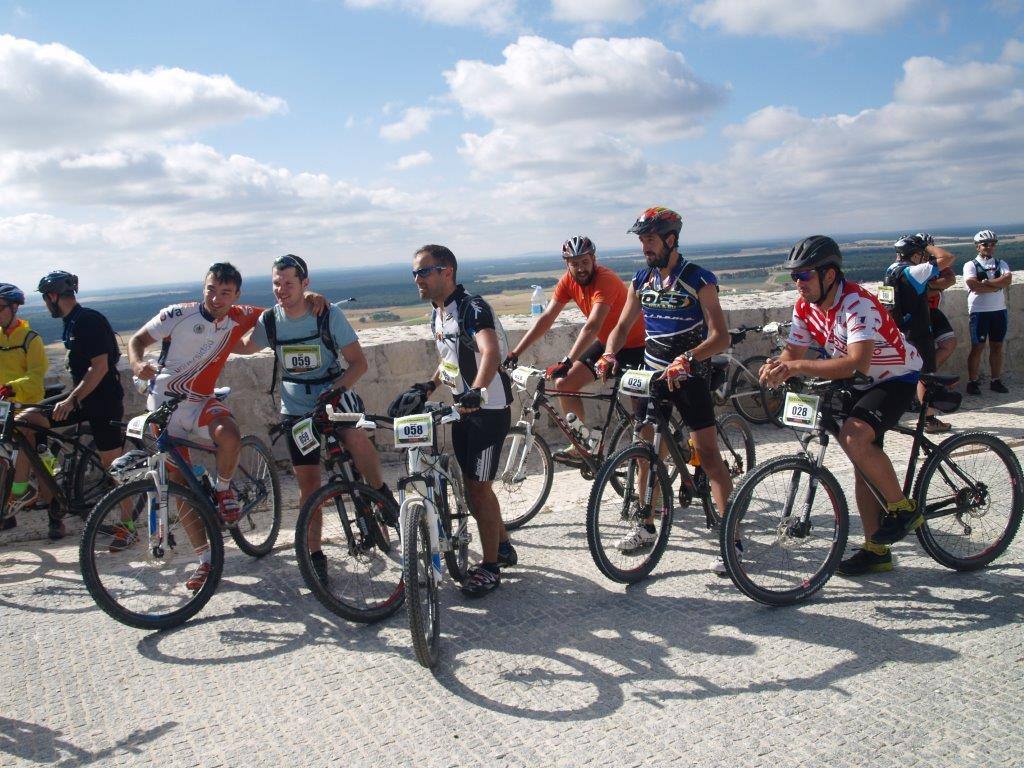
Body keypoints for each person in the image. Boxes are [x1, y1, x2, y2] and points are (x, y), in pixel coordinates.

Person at [128, 262, 324, 590]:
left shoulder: (239, 314)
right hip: (164, 407)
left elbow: (285, 307)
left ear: (236, 295)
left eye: (225, 293)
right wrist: (136, 363)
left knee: (229, 435)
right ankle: (205, 561)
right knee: (180, 485)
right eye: (211, 290)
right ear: (203, 287)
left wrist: (313, 295)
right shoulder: (176, 314)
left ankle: (223, 489)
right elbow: (137, 340)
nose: (217, 299)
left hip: (202, 400)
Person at [760, 236, 924, 576]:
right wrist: (778, 366)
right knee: (861, 457)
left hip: (894, 377)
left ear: (829, 275)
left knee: (855, 437)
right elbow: (793, 353)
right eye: (794, 277)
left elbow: (855, 364)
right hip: (859, 380)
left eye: (804, 276)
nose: (798, 283)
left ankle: (904, 509)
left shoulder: (857, 303)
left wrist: (798, 367)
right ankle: (877, 550)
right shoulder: (804, 306)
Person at [235, 254, 397, 586]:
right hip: (296, 408)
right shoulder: (270, 321)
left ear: (305, 284)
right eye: (276, 284)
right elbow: (245, 347)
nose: (282, 290)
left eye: (289, 283)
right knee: (310, 486)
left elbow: (358, 363)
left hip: (334, 396)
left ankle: (381, 493)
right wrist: (217, 327)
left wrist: (334, 392)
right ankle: (315, 555)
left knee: (354, 438)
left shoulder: (327, 314)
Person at [594, 207, 733, 570]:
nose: (645, 247)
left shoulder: (699, 279)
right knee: (644, 451)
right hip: (654, 377)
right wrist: (609, 353)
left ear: (671, 239)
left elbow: (720, 336)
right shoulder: (641, 281)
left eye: (651, 240)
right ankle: (646, 523)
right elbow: (622, 327)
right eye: (642, 241)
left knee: (710, 455)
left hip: (689, 377)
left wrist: (689, 357)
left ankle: (729, 535)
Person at [389, 244, 516, 598]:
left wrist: (476, 390)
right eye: (414, 272)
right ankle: (502, 544)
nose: (417, 279)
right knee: (470, 484)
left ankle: (491, 567)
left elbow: (489, 350)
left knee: (478, 487)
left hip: (489, 411)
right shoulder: (438, 312)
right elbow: (451, 361)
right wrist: (427, 387)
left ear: (447, 272)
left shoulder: (472, 308)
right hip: (464, 410)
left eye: (424, 271)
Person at [504, 236, 645, 461]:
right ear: (566, 264)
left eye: (585, 262)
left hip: (636, 344)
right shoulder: (567, 281)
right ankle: (584, 444)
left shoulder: (604, 279)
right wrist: (515, 352)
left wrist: (568, 361)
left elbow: (592, 326)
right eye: (574, 263)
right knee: (565, 383)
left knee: (643, 412)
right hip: (608, 343)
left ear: (594, 259)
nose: (580, 268)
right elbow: (546, 318)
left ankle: (661, 452)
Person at [12, 271, 125, 539]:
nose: (44, 304)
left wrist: (71, 399)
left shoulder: (88, 321)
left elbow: (99, 367)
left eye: (44, 298)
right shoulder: (71, 322)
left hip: (103, 403)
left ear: (53, 296)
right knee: (25, 421)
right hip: (81, 399)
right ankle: (24, 490)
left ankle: (128, 527)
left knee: (116, 469)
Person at [884, 233, 955, 433]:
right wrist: (928, 246)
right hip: (918, 331)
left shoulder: (890, 270)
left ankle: (893, 416)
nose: (924, 256)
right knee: (926, 375)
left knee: (905, 375)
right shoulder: (913, 271)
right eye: (921, 253)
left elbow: (886, 304)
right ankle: (929, 420)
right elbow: (948, 258)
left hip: (899, 331)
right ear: (914, 254)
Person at [0, 283, 48, 531]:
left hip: (28, 401)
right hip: (3, 406)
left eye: (0, 307)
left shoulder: (31, 339)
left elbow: (36, 375)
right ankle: (6, 506)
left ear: (14, 308)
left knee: (26, 436)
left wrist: (11, 386)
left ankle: (21, 492)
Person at [964, 229, 1011, 395]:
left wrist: (987, 283)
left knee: (997, 346)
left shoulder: (1001, 263)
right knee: (978, 347)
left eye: (992, 244)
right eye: (985, 244)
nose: (989, 247)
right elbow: (973, 286)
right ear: (978, 247)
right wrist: (996, 285)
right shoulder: (970, 265)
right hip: (979, 311)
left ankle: (995, 380)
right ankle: (972, 381)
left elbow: (1008, 280)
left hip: (999, 310)